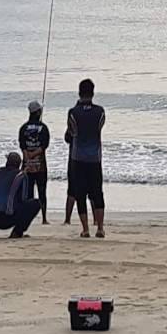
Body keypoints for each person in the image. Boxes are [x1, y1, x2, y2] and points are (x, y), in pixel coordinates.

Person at [64, 78, 106, 238]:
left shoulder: (73, 112)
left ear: (79, 92)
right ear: (93, 92)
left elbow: (72, 132)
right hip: (95, 157)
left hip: (78, 158)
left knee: (80, 194)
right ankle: (100, 228)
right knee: (97, 192)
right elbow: (99, 128)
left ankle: (86, 229)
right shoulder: (100, 111)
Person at [0, 152, 41, 238]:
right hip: (6, 218)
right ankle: (17, 232)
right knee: (36, 203)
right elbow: (24, 198)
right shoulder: (21, 175)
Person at [18, 100, 51, 225]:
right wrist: (35, 154)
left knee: (28, 192)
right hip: (40, 165)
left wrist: (28, 156)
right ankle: (44, 218)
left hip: (27, 164)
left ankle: (28, 217)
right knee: (42, 191)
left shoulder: (23, 128)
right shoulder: (44, 128)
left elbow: (22, 145)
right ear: (38, 112)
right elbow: (44, 145)